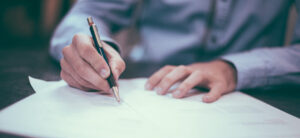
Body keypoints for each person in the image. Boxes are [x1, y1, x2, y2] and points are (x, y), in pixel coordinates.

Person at [50, 0, 300, 103]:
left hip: (256, 93)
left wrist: (233, 69)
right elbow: (87, 13)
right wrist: (94, 50)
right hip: (151, 85)